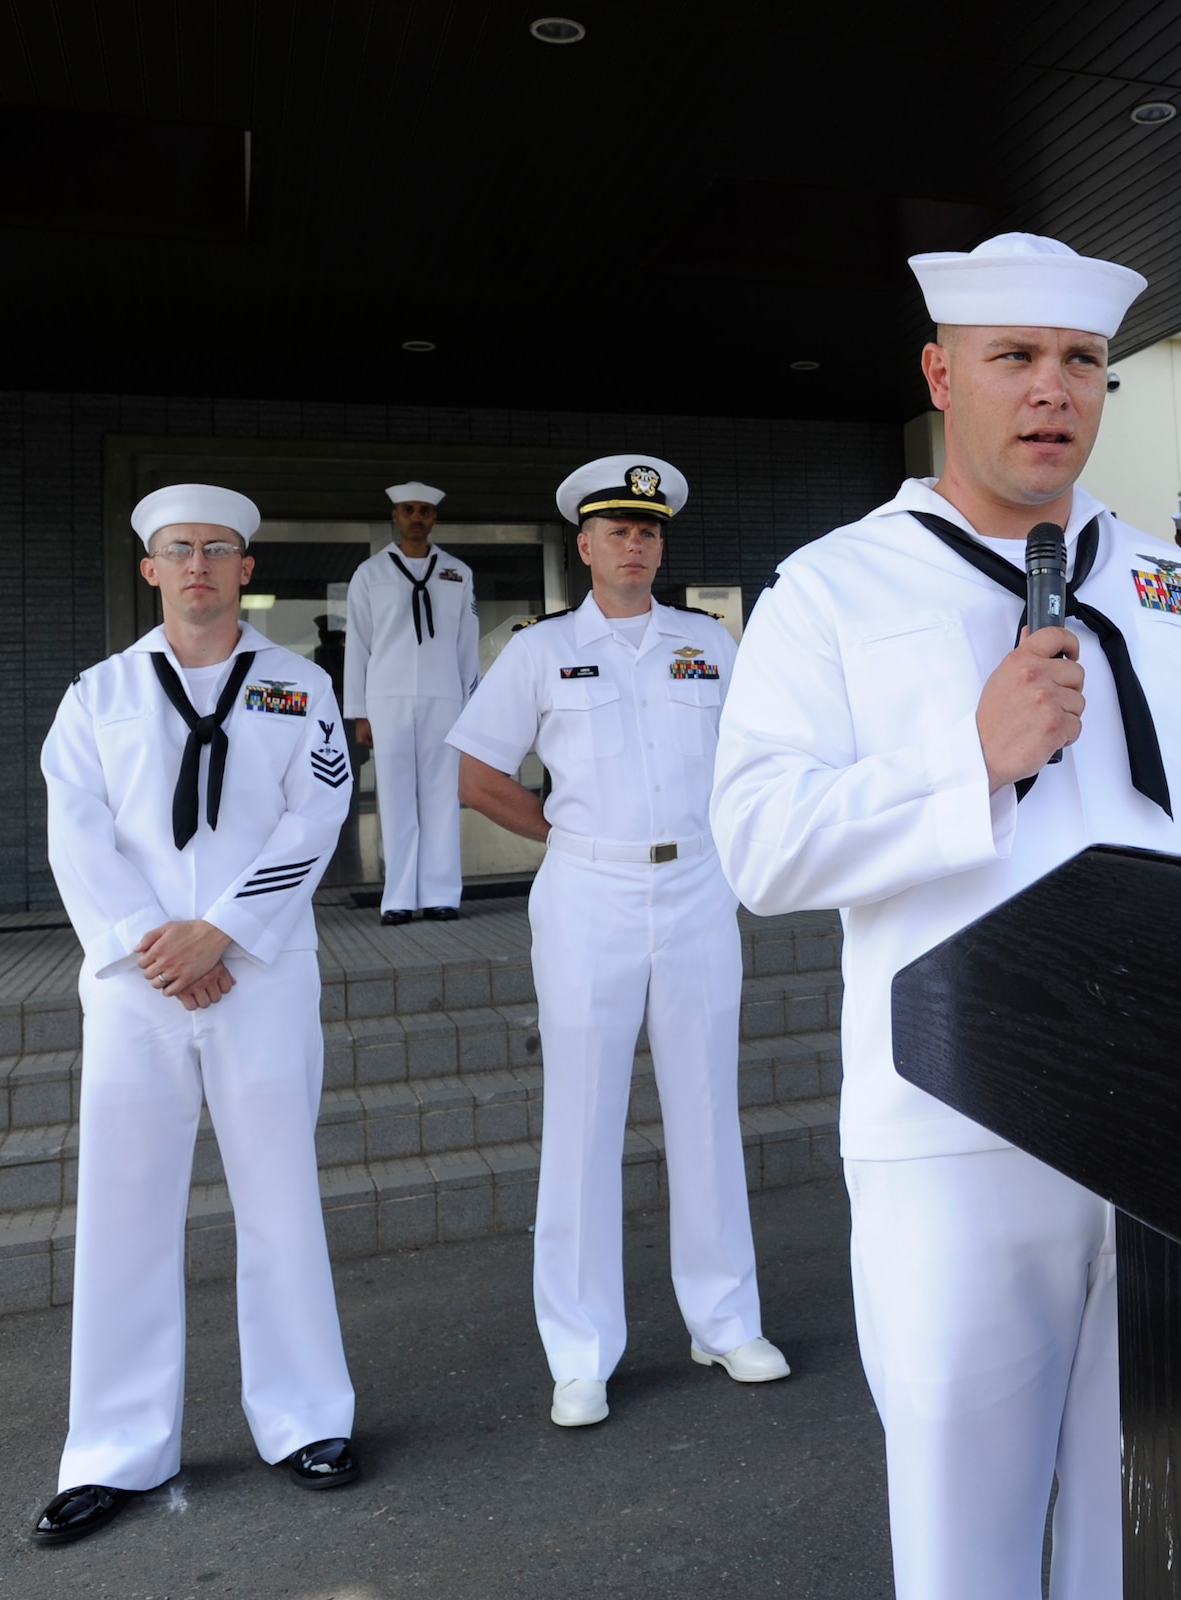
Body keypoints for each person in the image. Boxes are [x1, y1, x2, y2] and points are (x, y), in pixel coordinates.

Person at [710, 231, 1181, 1600]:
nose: (1053, 391)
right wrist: (965, 760)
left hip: (1170, 1123)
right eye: (1016, 359)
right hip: (958, 1125)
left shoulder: (1174, 586)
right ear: (940, 375)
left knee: (1149, 1514)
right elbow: (759, 844)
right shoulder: (835, 590)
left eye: (1082, 362)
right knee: (967, 1542)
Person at [33, 485, 360, 1546]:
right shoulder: (99, 694)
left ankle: (307, 1416)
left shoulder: (298, 686)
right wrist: (153, 941)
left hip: (258, 975)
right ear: (151, 570)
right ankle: (115, 1449)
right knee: (123, 1214)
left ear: (247, 570)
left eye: (220, 550)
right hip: (137, 989)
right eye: (180, 551)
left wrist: (219, 930)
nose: (200, 566)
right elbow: (74, 831)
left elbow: (317, 815)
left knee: (280, 1198)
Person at [448, 454, 786, 1431]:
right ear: (585, 546)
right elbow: (474, 771)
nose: (634, 545)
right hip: (587, 888)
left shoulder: (708, 644)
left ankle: (723, 1319)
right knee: (584, 1120)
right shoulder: (541, 650)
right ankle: (580, 1350)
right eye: (617, 532)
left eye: (649, 531)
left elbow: (760, 753)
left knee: (706, 1109)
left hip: (695, 882)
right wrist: (562, 831)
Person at [344, 482, 480, 925]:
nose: (416, 517)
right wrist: (359, 710)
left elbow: (467, 643)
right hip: (386, 697)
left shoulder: (457, 572)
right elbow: (357, 646)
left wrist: (471, 705)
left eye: (424, 510)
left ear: (434, 518)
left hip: (445, 695)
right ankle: (398, 896)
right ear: (396, 517)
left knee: (442, 797)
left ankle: (443, 893)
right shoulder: (370, 574)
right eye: (408, 510)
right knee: (395, 797)